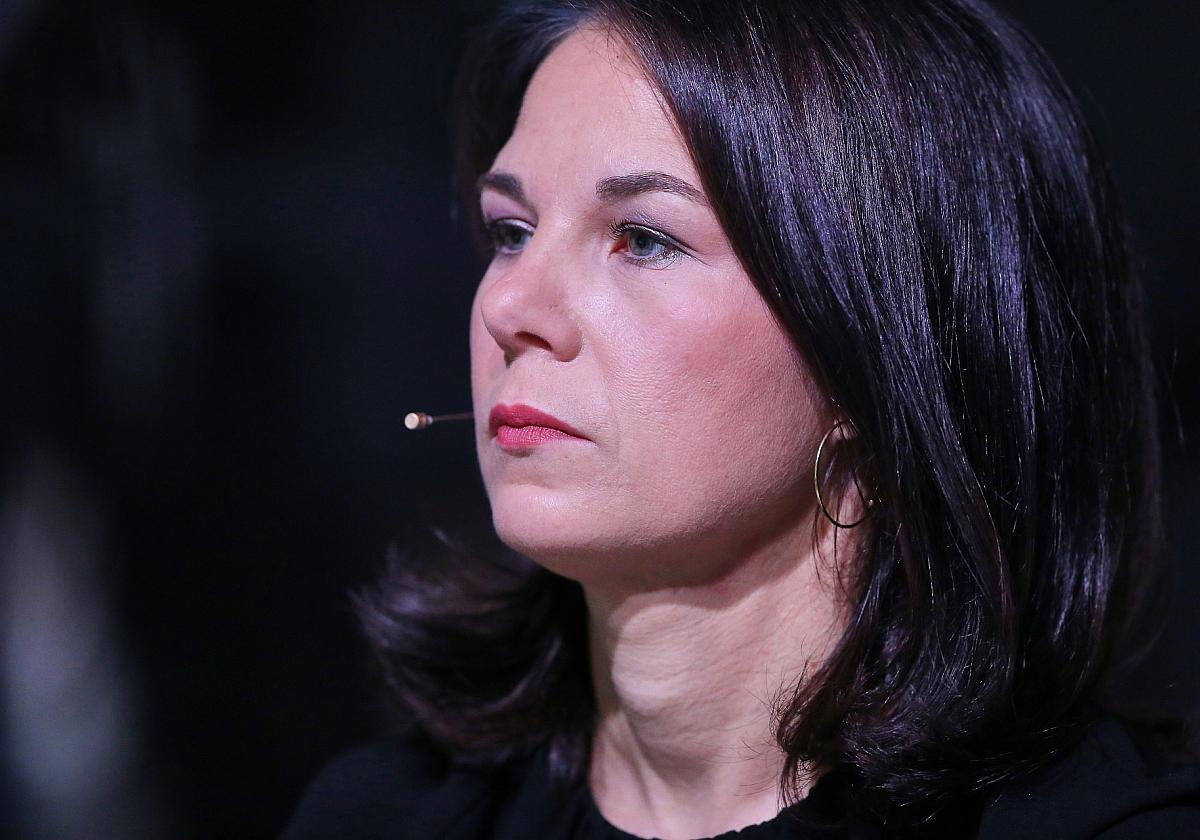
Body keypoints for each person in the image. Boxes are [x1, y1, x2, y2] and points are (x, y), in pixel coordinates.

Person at [283, 0, 1200, 837]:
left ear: (879, 348)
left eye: (644, 239)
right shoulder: (379, 817)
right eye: (510, 232)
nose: (508, 305)